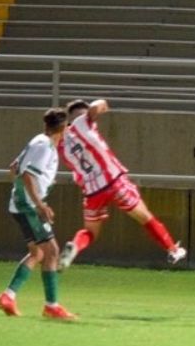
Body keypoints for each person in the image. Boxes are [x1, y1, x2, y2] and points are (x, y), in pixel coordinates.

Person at [57, 99, 186, 270]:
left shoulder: (61, 144)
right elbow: (98, 105)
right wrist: (100, 105)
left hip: (92, 191)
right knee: (145, 217)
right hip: (114, 180)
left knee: (90, 232)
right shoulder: (84, 123)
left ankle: (75, 246)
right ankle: (172, 249)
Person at [0, 108, 76, 320]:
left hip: (22, 204)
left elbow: (14, 168)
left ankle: (8, 296)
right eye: (68, 126)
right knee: (52, 252)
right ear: (63, 128)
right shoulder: (45, 147)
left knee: (38, 254)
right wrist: (39, 204)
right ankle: (51, 306)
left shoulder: (38, 141)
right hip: (29, 207)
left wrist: (40, 186)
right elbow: (28, 175)